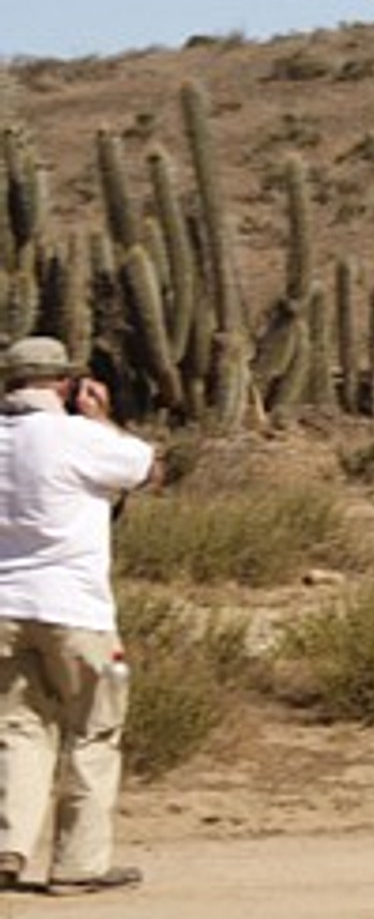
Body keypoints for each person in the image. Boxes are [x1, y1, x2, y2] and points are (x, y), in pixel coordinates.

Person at [0, 338, 158, 895]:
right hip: (76, 612)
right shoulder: (78, 437)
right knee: (94, 729)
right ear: (64, 384)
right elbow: (144, 467)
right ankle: (77, 865)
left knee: (18, 729)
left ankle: (7, 847)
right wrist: (104, 419)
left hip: (4, 609)